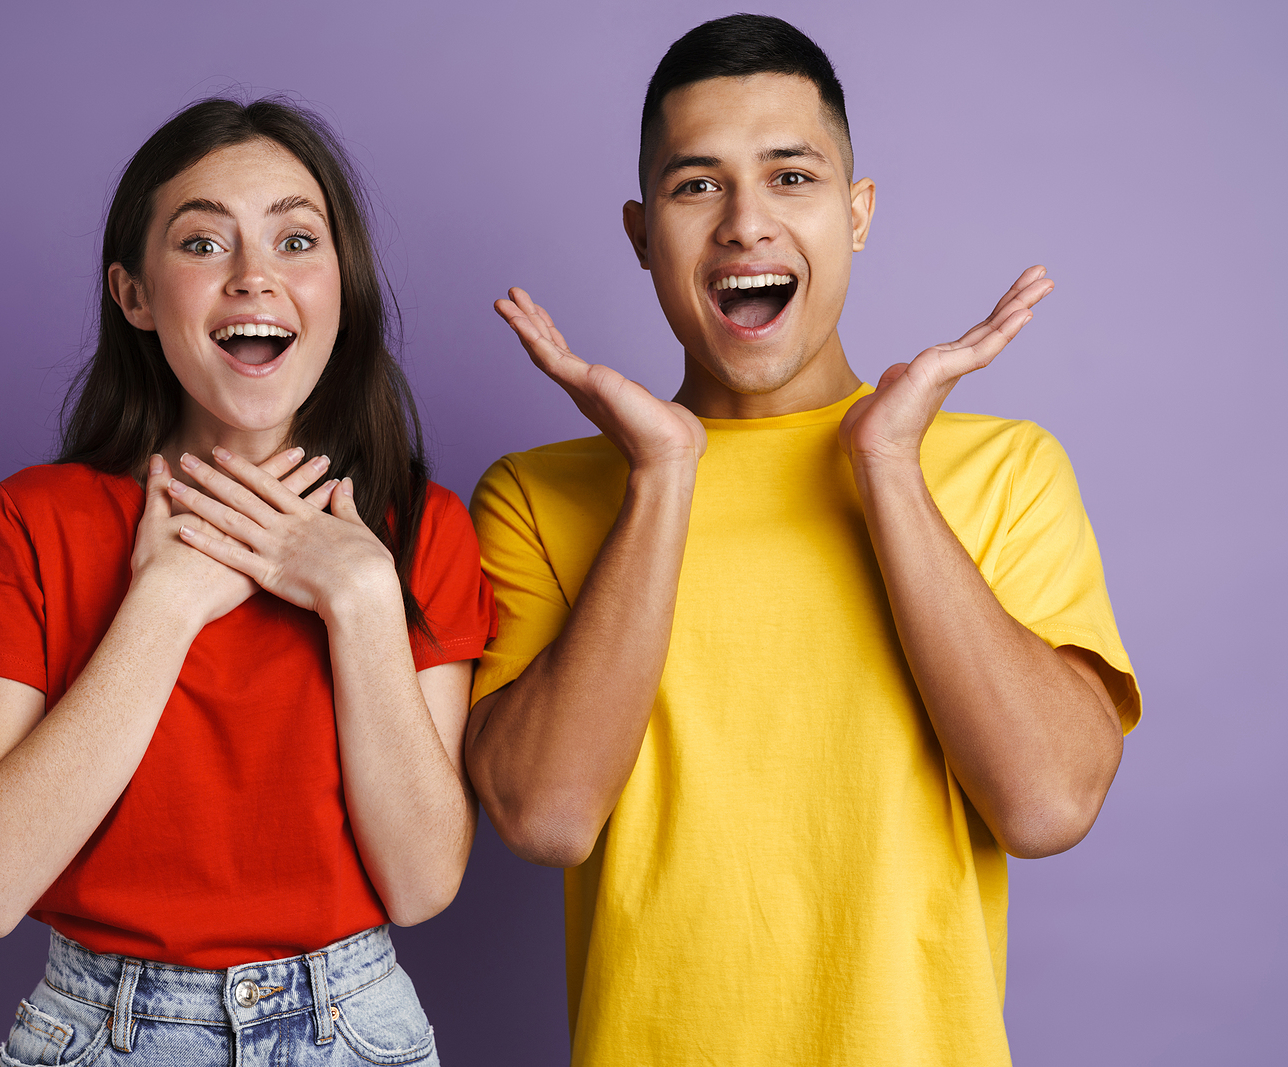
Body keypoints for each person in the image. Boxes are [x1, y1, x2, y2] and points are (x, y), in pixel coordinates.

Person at [465, 15, 1140, 1067]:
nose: (745, 223)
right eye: (698, 186)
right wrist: (662, 475)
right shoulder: (536, 495)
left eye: (790, 177)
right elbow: (547, 817)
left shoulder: (1002, 469)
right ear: (642, 236)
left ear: (856, 213)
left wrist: (886, 469)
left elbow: (1047, 802)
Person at [0, 97, 494, 1066]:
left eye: (296, 239)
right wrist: (167, 602)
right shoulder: (33, 519)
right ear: (134, 294)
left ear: (339, 286)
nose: (254, 276)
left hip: (351, 1024)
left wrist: (360, 602)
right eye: (202, 243)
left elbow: (422, 882)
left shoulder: (418, 528)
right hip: (98, 1027)